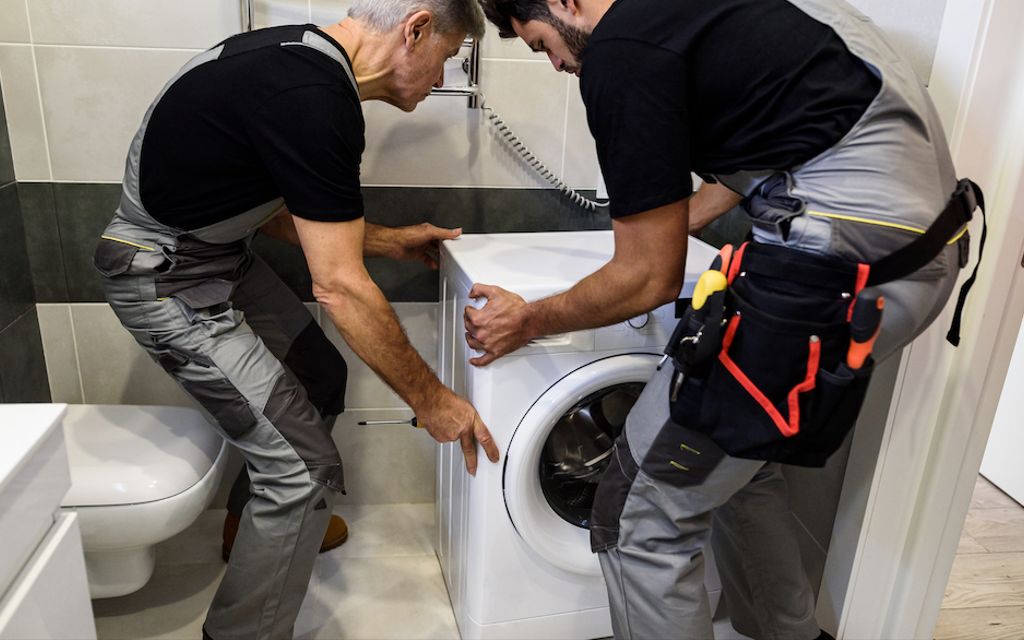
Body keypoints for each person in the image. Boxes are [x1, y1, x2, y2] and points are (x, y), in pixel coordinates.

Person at [470, 0, 982, 638]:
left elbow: (649, 278)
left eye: (542, 43)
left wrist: (531, 320)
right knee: (739, 465)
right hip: (915, 260)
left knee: (635, 518)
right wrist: (654, 234)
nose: (556, 65)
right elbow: (773, 148)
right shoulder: (702, 15)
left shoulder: (623, 48)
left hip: (834, 274)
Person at [93, 1, 499, 638]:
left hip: (216, 255)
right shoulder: (314, 97)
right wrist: (434, 401)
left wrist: (388, 241)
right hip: (165, 274)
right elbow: (339, 289)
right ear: (416, 29)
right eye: (446, 58)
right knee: (303, 469)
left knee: (317, 372)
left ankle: (251, 530)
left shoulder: (297, 61)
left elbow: (268, 209)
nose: (442, 78)